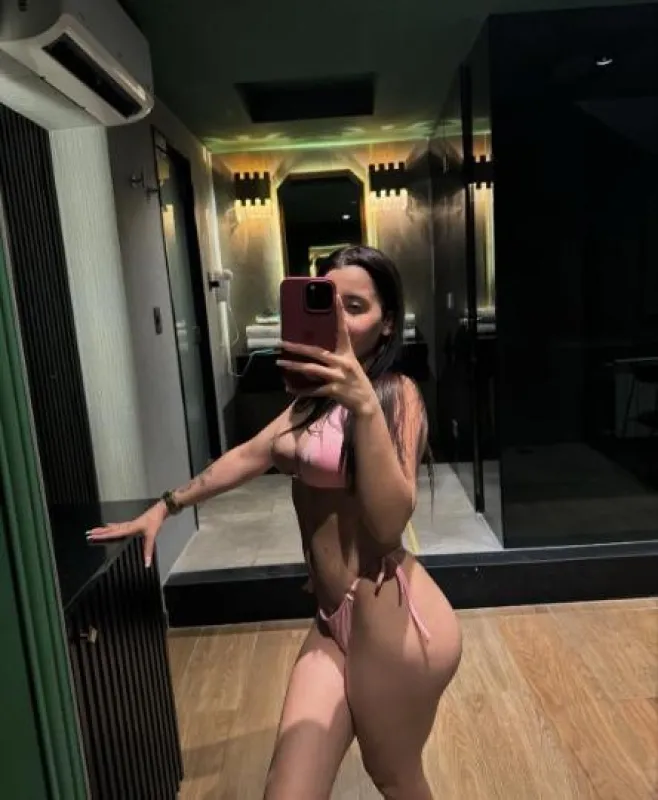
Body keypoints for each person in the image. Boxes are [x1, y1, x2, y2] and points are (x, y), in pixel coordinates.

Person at [88, 245, 462, 800]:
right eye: (329, 303)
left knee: (395, 777)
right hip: (332, 621)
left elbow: (388, 525)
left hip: (398, 625)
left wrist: (363, 405)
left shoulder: (394, 396)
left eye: (356, 307)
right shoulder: (310, 401)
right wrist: (166, 505)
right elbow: (248, 455)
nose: (340, 320)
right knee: (287, 790)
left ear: (387, 323)